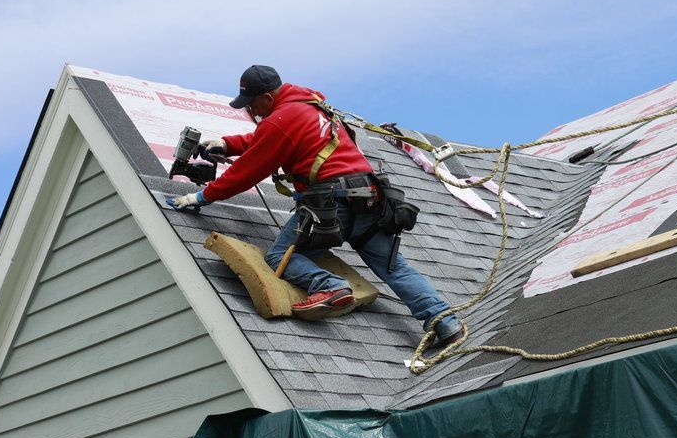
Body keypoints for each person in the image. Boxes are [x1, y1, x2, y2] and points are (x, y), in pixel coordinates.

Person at [170, 65, 463, 348]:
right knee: (394, 267)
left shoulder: (280, 120)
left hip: (330, 204)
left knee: (279, 256)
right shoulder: (311, 106)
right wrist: (227, 143)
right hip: (370, 197)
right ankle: (444, 321)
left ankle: (330, 286)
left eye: (253, 104)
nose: (252, 111)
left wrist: (201, 197)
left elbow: (248, 171)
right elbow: (270, 138)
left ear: (268, 98)